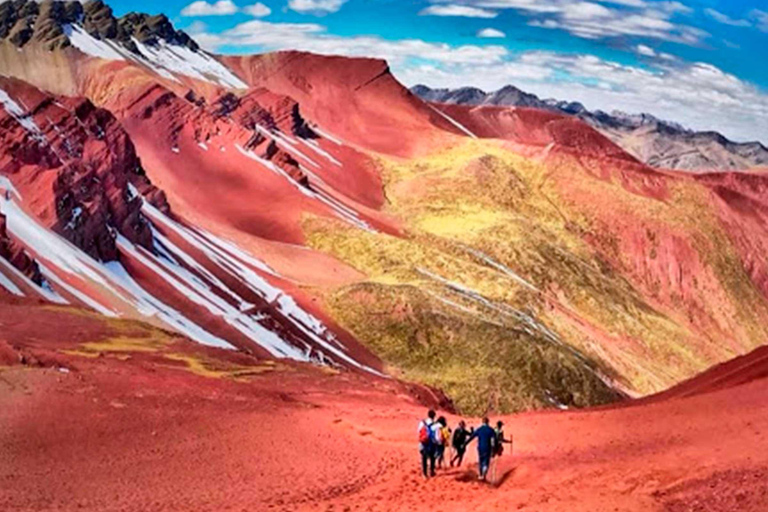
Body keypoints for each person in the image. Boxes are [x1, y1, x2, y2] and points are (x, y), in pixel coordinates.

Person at [417, 410, 437, 478]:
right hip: (431, 444)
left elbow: (419, 431)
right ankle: (431, 471)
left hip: (423, 443)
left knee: (424, 459)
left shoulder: (422, 422)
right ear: (434, 416)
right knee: (432, 458)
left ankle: (424, 474)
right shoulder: (435, 424)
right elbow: (436, 436)